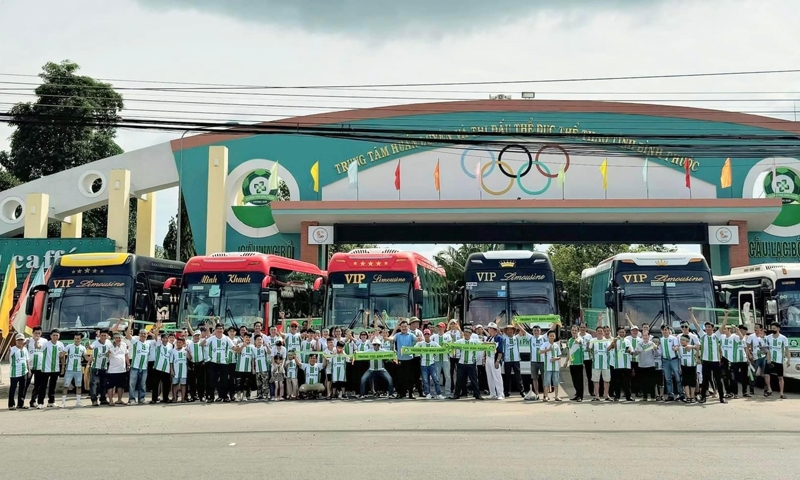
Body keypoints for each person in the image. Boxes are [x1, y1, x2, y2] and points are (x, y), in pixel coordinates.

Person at [690, 309, 728, 404]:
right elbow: (696, 325)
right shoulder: (703, 336)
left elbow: (723, 326)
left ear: (712, 328)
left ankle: (721, 397)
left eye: (709, 327)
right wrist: (691, 314)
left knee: (718, 380)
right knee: (705, 380)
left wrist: (726, 315)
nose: (707, 328)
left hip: (715, 361)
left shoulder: (716, 336)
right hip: (706, 361)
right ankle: (703, 397)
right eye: (706, 327)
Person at [201, 323, 235, 402]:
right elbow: (201, 344)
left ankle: (224, 396)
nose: (219, 330)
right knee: (212, 380)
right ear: (215, 330)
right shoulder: (212, 338)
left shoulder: (226, 338)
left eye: (221, 329)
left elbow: (233, 347)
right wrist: (208, 337)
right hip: (213, 362)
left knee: (224, 380)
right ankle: (211, 397)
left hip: (224, 363)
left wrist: (240, 347)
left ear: (223, 330)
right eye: (218, 329)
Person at [451, 326, 483, 400]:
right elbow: (452, 345)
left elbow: (483, 344)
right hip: (462, 363)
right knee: (459, 379)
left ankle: (477, 394)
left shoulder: (474, 341)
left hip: (471, 363)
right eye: (465, 332)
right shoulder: (460, 341)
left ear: (470, 334)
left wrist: (491, 344)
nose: (466, 334)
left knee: (474, 380)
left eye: (468, 333)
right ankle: (456, 394)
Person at [60, 332, 89, 408]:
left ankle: (78, 402)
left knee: (79, 386)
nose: (76, 340)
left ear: (81, 339)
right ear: (74, 339)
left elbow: (86, 358)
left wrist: (91, 358)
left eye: (78, 339)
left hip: (78, 370)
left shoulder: (83, 348)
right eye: (75, 338)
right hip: (69, 369)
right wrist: (61, 354)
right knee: (66, 386)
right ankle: (63, 402)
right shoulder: (69, 346)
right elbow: (62, 354)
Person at [390, 320, 418, 399]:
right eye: (402, 327)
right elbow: (391, 338)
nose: (404, 328)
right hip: (400, 359)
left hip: (409, 359)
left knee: (410, 378)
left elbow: (417, 339)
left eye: (405, 326)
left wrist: (419, 339)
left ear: (408, 327)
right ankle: (400, 393)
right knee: (399, 378)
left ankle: (410, 393)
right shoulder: (398, 335)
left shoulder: (411, 335)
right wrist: (387, 338)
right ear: (400, 328)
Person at [128, 326, 155, 405]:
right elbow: (127, 335)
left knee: (143, 385)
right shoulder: (135, 342)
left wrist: (151, 333)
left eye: (145, 334)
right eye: (142, 334)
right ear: (139, 334)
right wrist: (130, 323)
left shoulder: (149, 343)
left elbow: (157, 338)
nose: (143, 335)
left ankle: (141, 399)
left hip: (144, 368)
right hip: (135, 367)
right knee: (132, 384)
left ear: (147, 335)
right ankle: (132, 399)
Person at [414, 329, 444, 399]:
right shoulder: (420, 344)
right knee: (425, 380)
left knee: (436, 379)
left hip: (431, 364)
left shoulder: (434, 343)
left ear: (430, 335)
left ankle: (438, 394)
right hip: (423, 364)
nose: (427, 335)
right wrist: (417, 341)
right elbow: (414, 349)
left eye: (428, 334)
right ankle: (427, 393)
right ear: (424, 335)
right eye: (425, 334)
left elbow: (441, 349)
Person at [764, 321, 790, 399]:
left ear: (778, 329)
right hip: (769, 359)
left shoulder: (783, 338)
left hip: (779, 360)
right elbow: (766, 348)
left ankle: (781, 393)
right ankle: (769, 389)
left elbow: (787, 349)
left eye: (774, 328)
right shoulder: (768, 337)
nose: (773, 329)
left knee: (780, 377)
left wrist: (789, 360)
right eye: (772, 328)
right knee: (766, 374)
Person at [38, 329, 64, 409]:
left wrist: (63, 367)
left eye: (57, 335)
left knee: (53, 386)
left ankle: (51, 402)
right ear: (51, 336)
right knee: (43, 386)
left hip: (55, 369)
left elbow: (62, 356)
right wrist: (36, 341)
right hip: (45, 369)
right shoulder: (46, 344)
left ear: (59, 336)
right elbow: (38, 347)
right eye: (54, 335)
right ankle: (40, 402)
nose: (55, 337)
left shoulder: (60, 344)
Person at [608, 327, 635, 402]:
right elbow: (609, 349)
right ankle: (617, 396)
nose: (621, 333)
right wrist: (614, 342)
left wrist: (630, 351)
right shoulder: (615, 340)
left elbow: (632, 351)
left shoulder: (627, 341)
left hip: (626, 365)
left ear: (625, 333)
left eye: (623, 332)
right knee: (617, 382)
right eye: (620, 332)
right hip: (617, 365)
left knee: (627, 382)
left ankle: (628, 396)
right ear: (617, 332)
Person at [658, 325, 683, 402]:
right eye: (663, 330)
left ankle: (681, 394)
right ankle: (670, 395)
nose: (665, 331)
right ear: (661, 331)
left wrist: (675, 348)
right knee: (668, 379)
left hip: (674, 360)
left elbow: (677, 346)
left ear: (669, 330)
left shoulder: (673, 338)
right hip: (665, 360)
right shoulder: (660, 340)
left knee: (678, 378)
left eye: (666, 330)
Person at [8, 334, 31, 410]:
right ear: (16, 340)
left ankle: (20, 404)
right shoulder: (13, 349)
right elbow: (6, 357)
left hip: (24, 372)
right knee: (13, 389)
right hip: (14, 373)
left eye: (21, 340)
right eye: (18, 340)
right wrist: (9, 352)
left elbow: (27, 360)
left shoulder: (25, 349)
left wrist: (29, 370)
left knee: (22, 389)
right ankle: (11, 405)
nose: (20, 341)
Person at [106, 333, 130, 406]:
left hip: (122, 369)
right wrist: (108, 353)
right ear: (114, 339)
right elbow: (106, 355)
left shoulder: (124, 345)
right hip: (112, 370)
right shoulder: (109, 345)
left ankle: (119, 400)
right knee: (110, 386)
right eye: (116, 338)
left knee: (121, 386)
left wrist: (128, 364)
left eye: (119, 338)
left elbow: (126, 355)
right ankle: (110, 400)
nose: (118, 339)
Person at [89, 330, 111, 406]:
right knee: (94, 384)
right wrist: (88, 345)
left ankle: (103, 399)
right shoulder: (95, 343)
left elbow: (110, 350)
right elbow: (91, 347)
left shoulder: (108, 342)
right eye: (102, 335)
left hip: (104, 367)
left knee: (104, 384)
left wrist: (109, 353)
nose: (103, 337)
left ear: (107, 336)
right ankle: (94, 400)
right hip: (95, 367)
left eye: (105, 335)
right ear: (99, 336)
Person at [588, 328, 611, 402]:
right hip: (596, 364)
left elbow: (609, 349)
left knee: (607, 380)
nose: (600, 332)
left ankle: (606, 395)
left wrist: (613, 344)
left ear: (603, 332)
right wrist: (587, 345)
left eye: (601, 331)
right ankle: (597, 395)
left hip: (605, 364)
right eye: (598, 331)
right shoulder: (593, 340)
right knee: (595, 380)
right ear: (596, 332)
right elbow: (589, 348)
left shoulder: (607, 340)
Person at [633, 330, 657, 401]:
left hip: (650, 365)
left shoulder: (652, 344)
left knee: (651, 382)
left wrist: (655, 349)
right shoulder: (639, 343)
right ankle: (645, 396)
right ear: (642, 336)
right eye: (644, 335)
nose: (645, 337)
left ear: (649, 336)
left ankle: (653, 396)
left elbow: (657, 354)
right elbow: (637, 351)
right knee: (643, 382)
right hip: (642, 365)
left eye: (646, 335)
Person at [25, 326, 46, 408]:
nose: (37, 335)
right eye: (35, 333)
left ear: (41, 333)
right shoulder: (28, 340)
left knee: (37, 385)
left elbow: (41, 348)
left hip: (40, 366)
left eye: (39, 333)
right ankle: (21, 401)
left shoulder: (44, 341)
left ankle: (33, 401)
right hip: (29, 366)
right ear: (32, 333)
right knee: (25, 384)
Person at [502, 324, 525, 398]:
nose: (509, 331)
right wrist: (498, 323)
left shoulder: (517, 337)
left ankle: (522, 391)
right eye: (508, 330)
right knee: (507, 377)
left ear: (513, 331)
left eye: (511, 329)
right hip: (507, 360)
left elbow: (522, 331)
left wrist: (517, 324)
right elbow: (498, 331)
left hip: (516, 360)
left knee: (518, 377)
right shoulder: (504, 338)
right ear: (506, 331)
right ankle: (507, 392)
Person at [540, 330, 562, 402]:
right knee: (547, 382)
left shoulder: (556, 345)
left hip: (555, 367)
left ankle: (556, 396)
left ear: (555, 337)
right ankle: (546, 396)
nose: (552, 337)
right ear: (548, 337)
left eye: (553, 336)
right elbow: (540, 352)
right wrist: (548, 349)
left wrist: (555, 359)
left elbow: (559, 356)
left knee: (556, 382)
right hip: (547, 367)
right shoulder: (545, 344)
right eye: (550, 336)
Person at [151, 333, 174, 404]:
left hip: (166, 369)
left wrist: (171, 369)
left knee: (166, 385)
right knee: (155, 385)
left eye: (167, 338)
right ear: (161, 339)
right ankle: (154, 399)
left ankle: (165, 398)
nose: (165, 339)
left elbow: (171, 358)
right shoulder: (158, 344)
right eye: (164, 338)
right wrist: (158, 325)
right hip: (157, 367)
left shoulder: (171, 345)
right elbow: (155, 335)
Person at [485, 323, 504, 400]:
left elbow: (500, 351)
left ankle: (500, 393)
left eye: (489, 328)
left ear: (493, 329)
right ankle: (492, 393)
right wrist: (484, 358)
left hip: (494, 359)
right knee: (490, 377)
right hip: (488, 358)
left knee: (497, 377)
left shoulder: (499, 338)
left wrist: (497, 361)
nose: (488, 330)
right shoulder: (489, 338)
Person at [679, 334, 700, 403]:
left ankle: (692, 396)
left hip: (692, 366)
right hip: (684, 366)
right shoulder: (680, 348)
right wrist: (680, 367)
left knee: (692, 382)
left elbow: (698, 352)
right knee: (685, 382)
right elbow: (680, 358)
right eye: (681, 340)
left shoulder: (691, 347)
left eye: (683, 340)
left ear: (687, 341)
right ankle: (688, 396)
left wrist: (693, 347)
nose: (682, 341)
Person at [567, 325, 585, 402]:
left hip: (579, 363)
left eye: (575, 330)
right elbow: (569, 352)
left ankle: (580, 396)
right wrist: (566, 362)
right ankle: (577, 394)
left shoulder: (580, 339)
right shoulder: (570, 340)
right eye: (573, 330)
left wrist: (578, 342)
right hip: (572, 363)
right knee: (574, 380)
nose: (574, 332)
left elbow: (580, 343)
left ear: (578, 331)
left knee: (579, 380)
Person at [170, 336, 190, 403]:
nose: (179, 344)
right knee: (175, 385)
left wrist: (188, 352)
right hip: (176, 371)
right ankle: (174, 398)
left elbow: (190, 358)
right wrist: (171, 370)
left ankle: (183, 399)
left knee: (183, 385)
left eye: (180, 342)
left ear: (183, 343)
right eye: (178, 342)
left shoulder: (185, 350)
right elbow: (171, 362)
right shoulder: (173, 351)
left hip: (183, 371)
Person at [254, 335, 271, 400]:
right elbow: (253, 359)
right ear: (255, 341)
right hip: (258, 369)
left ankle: (265, 395)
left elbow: (269, 352)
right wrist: (253, 368)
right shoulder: (254, 349)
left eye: (260, 339)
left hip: (264, 368)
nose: (259, 341)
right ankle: (259, 395)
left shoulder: (264, 348)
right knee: (259, 383)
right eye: (257, 340)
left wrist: (267, 346)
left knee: (265, 383)